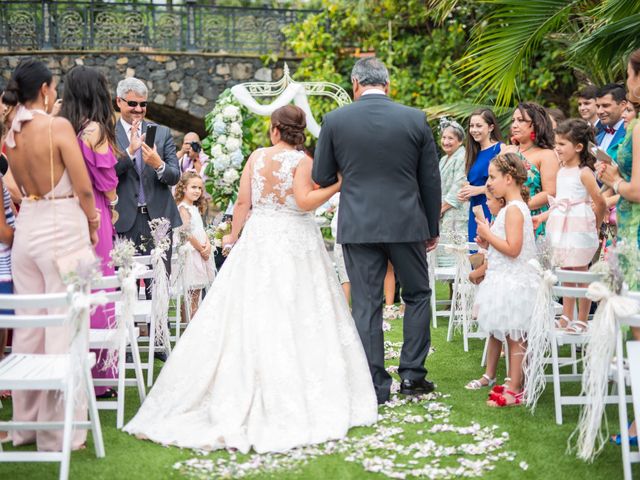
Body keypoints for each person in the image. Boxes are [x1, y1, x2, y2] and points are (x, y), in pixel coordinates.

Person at [123, 105, 378, 453]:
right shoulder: (302, 161)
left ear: (275, 128)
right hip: (294, 240)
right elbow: (304, 203)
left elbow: (243, 202)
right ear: (299, 131)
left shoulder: (256, 157)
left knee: (248, 307)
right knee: (298, 307)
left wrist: (232, 238)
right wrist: (335, 187)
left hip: (258, 238)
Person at [313, 57, 441, 404]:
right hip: (407, 223)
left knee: (366, 304)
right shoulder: (415, 119)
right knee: (416, 295)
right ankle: (413, 377)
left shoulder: (335, 120)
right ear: (387, 85)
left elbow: (322, 176)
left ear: (355, 84)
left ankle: (373, 384)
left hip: (359, 223)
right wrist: (431, 227)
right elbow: (430, 179)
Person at [2, 58, 99, 451]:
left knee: (29, 327)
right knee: (64, 327)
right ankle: (57, 432)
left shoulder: (11, 133)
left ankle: (25, 427)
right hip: (61, 222)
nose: (55, 92)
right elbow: (85, 187)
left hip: (28, 229)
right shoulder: (56, 126)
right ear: (44, 89)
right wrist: (92, 221)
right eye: (53, 87)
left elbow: (13, 184)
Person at [58, 65, 119, 398]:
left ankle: (69, 367)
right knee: (96, 285)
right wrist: (114, 199)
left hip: (66, 209)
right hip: (94, 209)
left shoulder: (63, 126)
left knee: (73, 286)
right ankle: (97, 376)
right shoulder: (95, 128)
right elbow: (106, 179)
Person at [598, 48, 640, 447]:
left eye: (629, 75)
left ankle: (638, 427)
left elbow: (638, 190)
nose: (628, 82)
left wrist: (614, 176)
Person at [474, 153, 539, 407]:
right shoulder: (510, 209)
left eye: (492, 177)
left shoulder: (513, 210)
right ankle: (514, 380)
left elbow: (513, 249)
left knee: (516, 337)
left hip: (515, 282)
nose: (488, 183)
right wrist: (487, 241)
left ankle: (515, 386)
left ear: (509, 178)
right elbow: (504, 247)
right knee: (513, 335)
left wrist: (489, 234)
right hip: (506, 280)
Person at [535, 119, 606, 333]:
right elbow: (560, 203)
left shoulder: (584, 172)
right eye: (556, 143)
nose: (557, 148)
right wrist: (543, 217)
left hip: (580, 228)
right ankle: (566, 316)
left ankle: (582, 318)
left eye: (562, 144)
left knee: (581, 273)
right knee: (566, 271)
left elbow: (600, 202)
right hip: (562, 227)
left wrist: (596, 226)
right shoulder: (562, 170)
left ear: (578, 147)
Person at [113, 77, 181, 269]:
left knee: (160, 285)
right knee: (126, 286)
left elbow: (175, 176)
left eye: (143, 104)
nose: (138, 109)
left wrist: (159, 164)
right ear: (119, 101)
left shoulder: (162, 133)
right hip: (123, 220)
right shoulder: (108, 133)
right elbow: (107, 174)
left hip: (158, 219)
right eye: (132, 103)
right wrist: (130, 153)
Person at [465, 188, 506, 390]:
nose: (487, 203)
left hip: (506, 281)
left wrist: (478, 271)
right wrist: (487, 244)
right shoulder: (497, 220)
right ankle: (489, 374)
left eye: (490, 200)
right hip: (495, 281)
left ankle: (514, 379)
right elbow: (495, 251)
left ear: (501, 200)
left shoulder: (508, 218)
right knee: (493, 329)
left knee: (509, 331)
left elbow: (510, 252)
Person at [505, 102, 559, 237]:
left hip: (533, 218)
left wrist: (520, 206)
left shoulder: (546, 155)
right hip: (504, 215)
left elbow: (550, 192)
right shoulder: (507, 151)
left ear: (535, 124)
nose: (514, 125)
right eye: (513, 120)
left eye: (521, 120)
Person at [457, 108, 503, 243]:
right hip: (475, 210)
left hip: (492, 208)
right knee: (475, 255)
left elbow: (505, 184)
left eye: (478, 125)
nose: (474, 130)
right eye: (471, 126)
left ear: (491, 127)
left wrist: (479, 190)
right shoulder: (473, 152)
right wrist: (466, 193)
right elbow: (473, 183)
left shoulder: (500, 149)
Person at [173, 171, 215, 317]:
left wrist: (208, 245)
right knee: (191, 293)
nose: (197, 191)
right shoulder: (183, 208)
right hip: (192, 253)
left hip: (201, 251)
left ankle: (193, 324)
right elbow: (186, 233)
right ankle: (189, 328)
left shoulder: (195, 208)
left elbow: (201, 230)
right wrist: (201, 249)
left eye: (199, 188)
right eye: (193, 187)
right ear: (184, 188)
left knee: (197, 293)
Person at [438, 117, 467, 266]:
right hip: (444, 210)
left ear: (460, 141)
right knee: (446, 256)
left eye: (451, 138)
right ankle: (451, 289)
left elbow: (459, 186)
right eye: (444, 137)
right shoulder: (443, 159)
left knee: (456, 259)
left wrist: (441, 208)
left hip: (456, 210)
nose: (446, 141)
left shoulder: (463, 156)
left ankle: (457, 290)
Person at [595, 83, 628, 160]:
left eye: (605, 105)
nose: (599, 111)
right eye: (598, 106)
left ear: (623, 105)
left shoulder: (630, 134)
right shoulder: (597, 137)